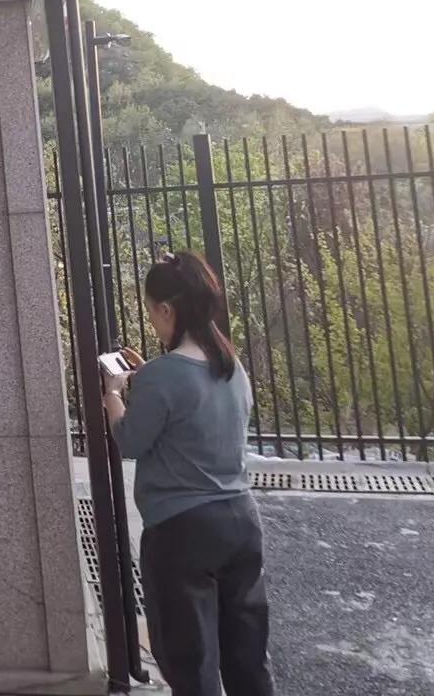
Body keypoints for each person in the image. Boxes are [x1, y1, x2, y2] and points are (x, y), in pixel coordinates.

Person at [103, 251, 274, 696]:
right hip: (241, 522)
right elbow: (194, 408)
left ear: (166, 309)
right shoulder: (231, 366)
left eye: (151, 311)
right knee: (247, 659)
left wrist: (113, 395)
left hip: (182, 534)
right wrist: (149, 377)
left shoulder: (163, 376)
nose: (153, 321)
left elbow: (131, 440)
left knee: (191, 664)